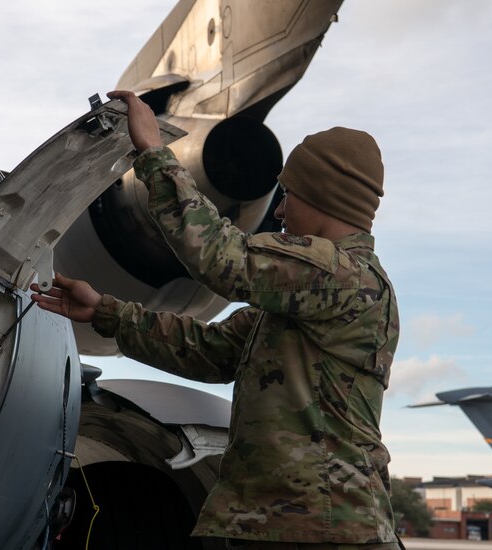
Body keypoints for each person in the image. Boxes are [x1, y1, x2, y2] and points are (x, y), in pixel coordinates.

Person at [32, 90, 400, 550]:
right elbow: (210, 351)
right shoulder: (319, 290)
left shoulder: (338, 273)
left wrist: (152, 153)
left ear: (323, 197)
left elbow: (220, 256)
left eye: (290, 195)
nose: (280, 211)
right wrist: (106, 312)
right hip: (293, 521)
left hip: (315, 524)